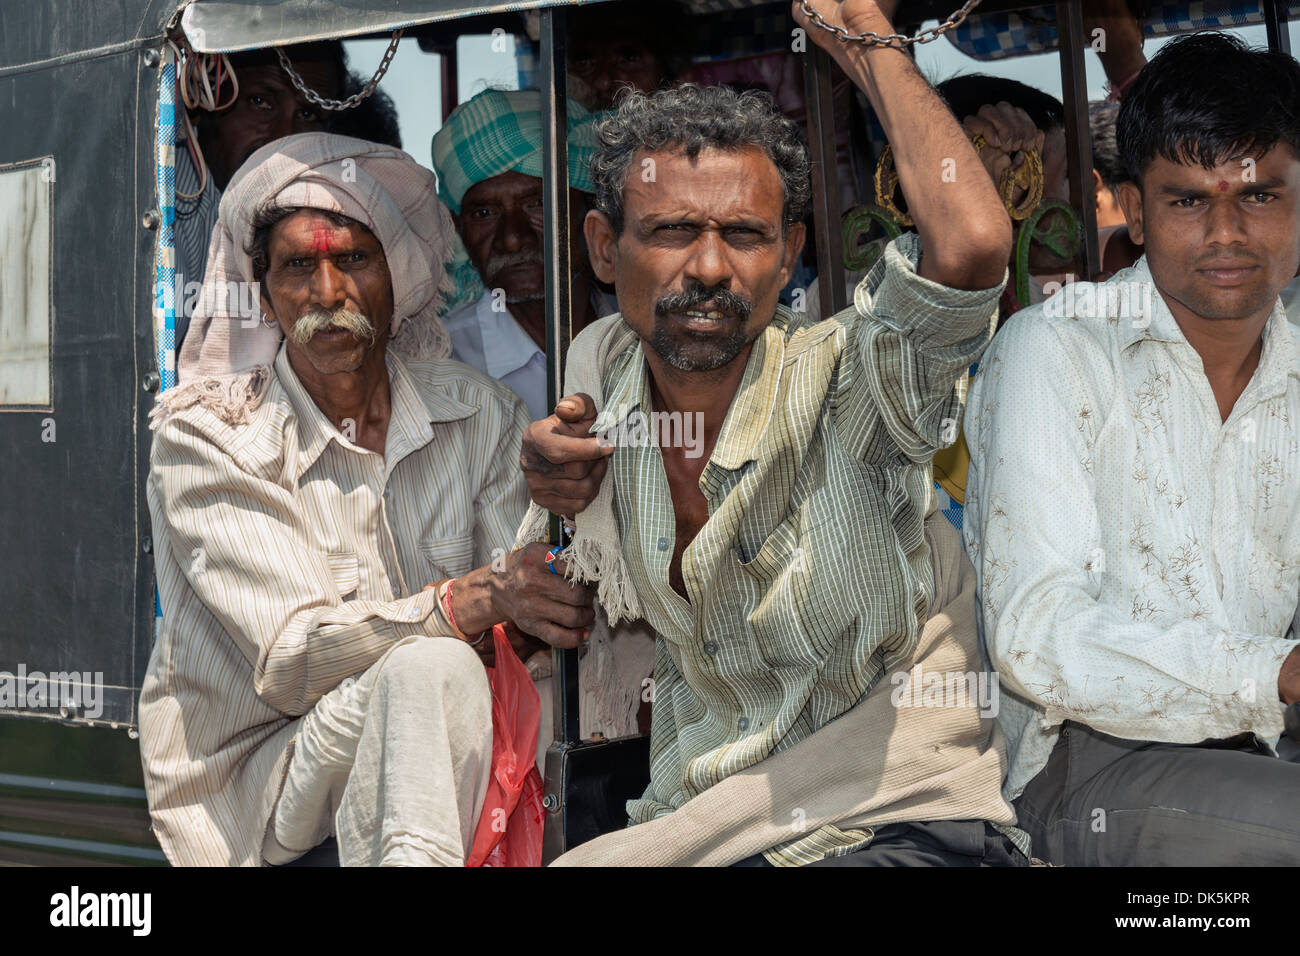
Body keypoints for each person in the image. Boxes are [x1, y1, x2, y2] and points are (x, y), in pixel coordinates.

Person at [517, 0, 1025, 867]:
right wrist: (546, 518)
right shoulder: (605, 379)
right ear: (604, 249)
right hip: (703, 824)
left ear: (788, 255)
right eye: (674, 231)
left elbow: (973, 244)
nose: (710, 267)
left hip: (892, 823)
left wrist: (862, 34)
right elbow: (554, 570)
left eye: (743, 235)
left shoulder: (853, 380)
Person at [141, 134, 595, 866]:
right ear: (264, 295)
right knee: (431, 666)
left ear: (398, 276)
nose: (327, 295)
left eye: (353, 260)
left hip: (453, 740)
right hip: (265, 778)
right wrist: (467, 604)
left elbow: (523, 616)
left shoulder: (477, 413)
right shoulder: (212, 438)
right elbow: (291, 663)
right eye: (298, 268)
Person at [964, 32, 1300, 865]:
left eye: (1260, 197)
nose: (1227, 233)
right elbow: (1037, 635)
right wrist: (1277, 675)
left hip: (1265, 755)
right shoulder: (1055, 352)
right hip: (1084, 768)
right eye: (1188, 201)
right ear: (1136, 212)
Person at [432, 89, 617, 422]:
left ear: (591, 216)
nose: (513, 239)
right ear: (461, 232)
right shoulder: (442, 363)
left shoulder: (641, 333)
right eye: (484, 213)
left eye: (538, 203)